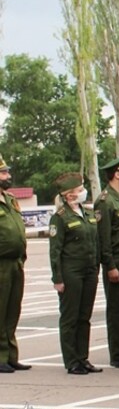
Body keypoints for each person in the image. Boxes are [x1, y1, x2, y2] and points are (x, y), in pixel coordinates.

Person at [49, 172, 101, 375]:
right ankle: (71, 360)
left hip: (89, 271)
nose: (82, 193)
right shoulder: (60, 218)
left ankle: (83, 357)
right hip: (71, 271)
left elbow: (95, 242)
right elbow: (55, 251)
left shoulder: (88, 214)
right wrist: (58, 278)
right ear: (69, 195)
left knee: (84, 316)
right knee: (70, 317)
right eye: (79, 191)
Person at [95, 155, 119, 368]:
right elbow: (103, 238)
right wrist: (109, 266)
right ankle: (118, 352)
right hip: (117, 261)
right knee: (118, 309)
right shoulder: (105, 201)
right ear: (117, 174)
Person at [0, 155, 28, 374]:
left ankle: (10, 356)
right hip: (1, 264)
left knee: (12, 310)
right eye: (3, 173)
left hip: (15, 263)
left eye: (7, 172)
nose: (7, 177)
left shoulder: (10, 200)